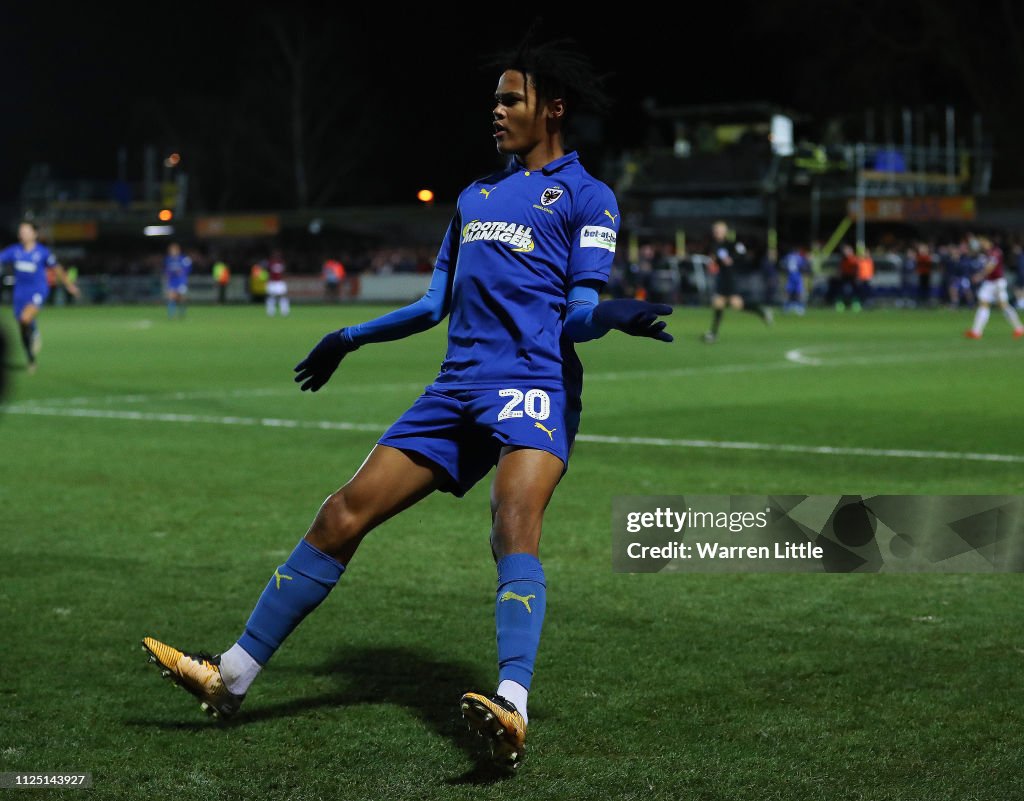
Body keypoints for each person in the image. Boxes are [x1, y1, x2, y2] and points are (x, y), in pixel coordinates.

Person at [142, 38, 673, 771]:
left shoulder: (586, 196)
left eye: (510, 98)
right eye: (494, 99)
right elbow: (432, 305)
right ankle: (230, 675)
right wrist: (349, 336)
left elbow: (577, 313)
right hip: (455, 387)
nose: (496, 110)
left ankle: (512, 707)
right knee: (340, 513)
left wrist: (615, 312)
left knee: (512, 519)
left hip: (534, 382)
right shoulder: (474, 197)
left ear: (552, 108)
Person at [0, 221, 79, 372]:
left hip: (38, 291)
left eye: (26, 231)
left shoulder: (42, 252)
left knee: (25, 318)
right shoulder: (15, 251)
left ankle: (34, 332)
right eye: (21, 231)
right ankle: (31, 358)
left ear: (34, 234)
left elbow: (57, 269)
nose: (22, 233)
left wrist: (69, 285)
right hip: (19, 293)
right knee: (23, 326)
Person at [701, 221, 772, 342]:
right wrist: (713, 264)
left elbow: (742, 254)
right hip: (722, 277)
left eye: (719, 230)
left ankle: (713, 334)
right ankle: (761, 311)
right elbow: (714, 261)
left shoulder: (731, 244)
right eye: (715, 230)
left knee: (727, 303)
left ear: (725, 231)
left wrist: (732, 259)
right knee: (731, 304)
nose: (716, 232)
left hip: (731, 277)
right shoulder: (713, 245)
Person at [964, 237, 1024, 339]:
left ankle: (1019, 328)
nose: (981, 244)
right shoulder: (986, 253)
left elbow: (990, 267)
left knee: (1003, 305)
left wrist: (980, 275)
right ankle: (976, 331)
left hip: (997, 282)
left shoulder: (995, 252)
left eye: (983, 242)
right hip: (989, 282)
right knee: (984, 304)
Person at [164, 242, 192, 319]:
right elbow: (167, 270)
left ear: (178, 250)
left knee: (181, 298)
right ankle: (171, 315)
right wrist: (168, 274)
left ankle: (182, 314)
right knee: (171, 297)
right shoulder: (168, 259)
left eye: (173, 250)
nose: (172, 252)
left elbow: (188, 269)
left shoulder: (184, 259)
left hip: (181, 281)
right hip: (172, 281)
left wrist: (182, 272)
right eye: (171, 250)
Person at [265, 250, 290, 317]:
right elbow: (267, 272)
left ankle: (284, 311)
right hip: (272, 282)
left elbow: (284, 272)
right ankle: (270, 312)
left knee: (283, 296)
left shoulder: (282, 262)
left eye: (278, 255)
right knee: (271, 296)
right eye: (275, 255)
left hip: (280, 282)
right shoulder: (270, 263)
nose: (277, 256)